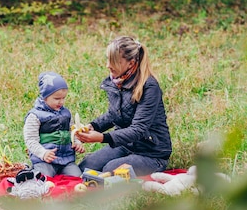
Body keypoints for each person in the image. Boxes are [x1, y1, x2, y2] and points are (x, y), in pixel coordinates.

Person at [75, 36, 172, 176]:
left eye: (113, 61)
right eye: (107, 59)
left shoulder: (149, 86)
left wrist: (103, 138)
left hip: (151, 152)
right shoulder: (115, 81)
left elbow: (138, 129)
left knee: (110, 170)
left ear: (131, 63)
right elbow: (114, 114)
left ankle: (155, 166)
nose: (108, 65)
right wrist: (93, 126)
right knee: (86, 167)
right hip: (125, 145)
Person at [23, 72, 85, 178]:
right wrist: (43, 153)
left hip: (66, 160)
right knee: (44, 178)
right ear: (45, 97)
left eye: (63, 98)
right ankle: (32, 170)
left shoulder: (66, 113)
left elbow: (72, 131)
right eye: (57, 99)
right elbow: (30, 140)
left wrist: (77, 142)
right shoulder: (35, 116)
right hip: (44, 160)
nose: (61, 102)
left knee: (77, 177)